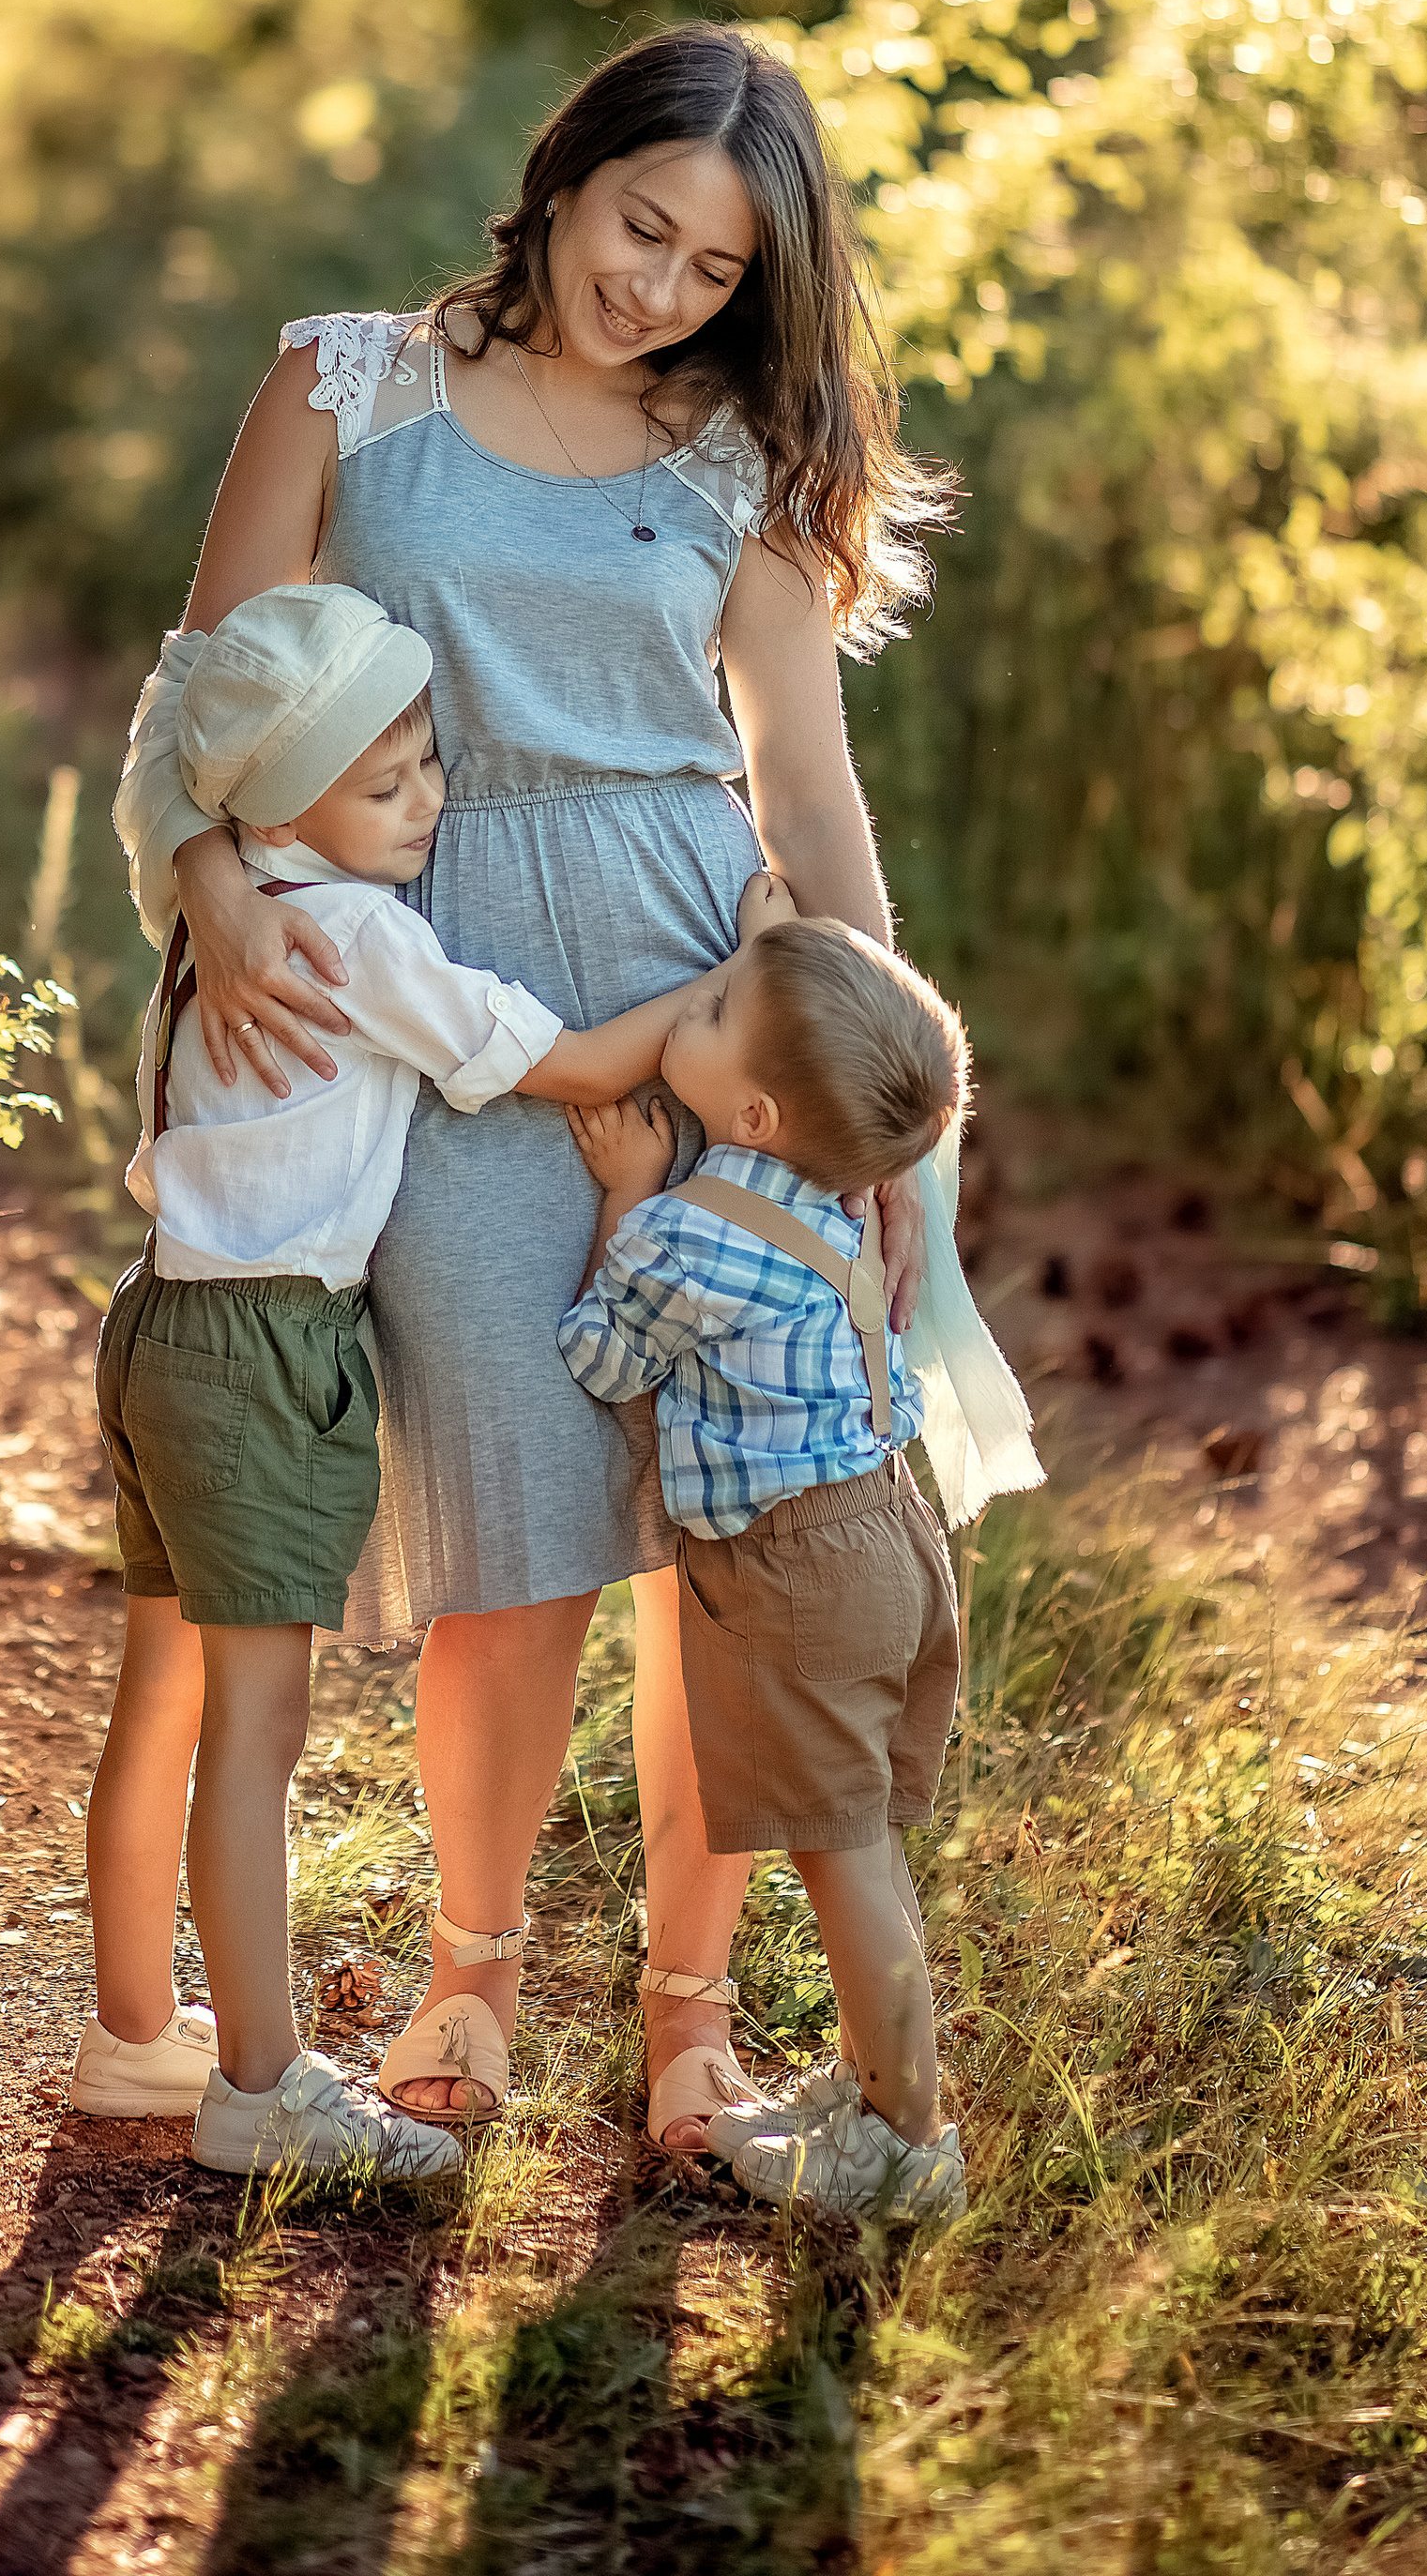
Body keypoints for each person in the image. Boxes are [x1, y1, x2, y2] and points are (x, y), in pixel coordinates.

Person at [112, 23, 957, 2148]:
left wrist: (884, 1103)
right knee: (510, 1528)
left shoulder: (730, 462)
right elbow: (200, 695)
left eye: (709, 267)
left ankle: (693, 2026)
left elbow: (808, 795)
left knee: (722, 1527)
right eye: (637, 225)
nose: (655, 286)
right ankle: (468, 1986)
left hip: (703, 1019)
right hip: (433, 1011)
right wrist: (212, 881)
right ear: (562, 179)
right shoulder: (342, 384)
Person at [73, 581, 758, 2176]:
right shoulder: (365, 936)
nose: (431, 802)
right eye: (387, 786)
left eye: (429, 765)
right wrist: (744, 987)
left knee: (158, 1694)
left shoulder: (216, 898)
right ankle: (258, 2086)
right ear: (287, 803)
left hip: (160, 1321)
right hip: (271, 1345)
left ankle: (130, 2034)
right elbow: (579, 1066)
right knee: (256, 1728)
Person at [558, 916, 970, 2220]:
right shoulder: (833, 1198)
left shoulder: (691, 1233)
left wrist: (623, 1198)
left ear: (750, 1112)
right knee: (859, 1844)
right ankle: (866, 2087)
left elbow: (603, 1361)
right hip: (890, 1532)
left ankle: (907, 2139)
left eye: (718, 1007)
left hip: (798, 1567)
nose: (692, 1001)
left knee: (841, 1854)